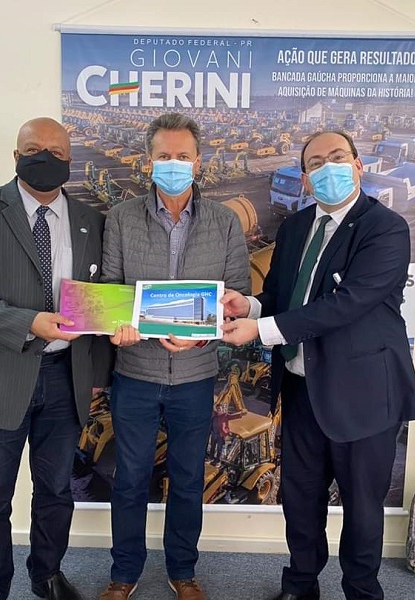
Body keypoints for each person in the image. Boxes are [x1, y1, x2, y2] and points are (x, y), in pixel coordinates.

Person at [221, 130, 415, 600]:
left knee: (362, 507)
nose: (327, 168)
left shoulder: (385, 228)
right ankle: (300, 585)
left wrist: (262, 329)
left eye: (337, 157)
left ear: (357, 165)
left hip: (363, 394)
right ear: (306, 179)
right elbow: (283, 295)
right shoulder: (296, 227)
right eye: (315, 163)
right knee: (300, 498)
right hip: (302, 389)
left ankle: (361, 590)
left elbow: (347, 305)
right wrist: (249, 306)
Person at [0, 117, 112, 600]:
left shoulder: (91, 219)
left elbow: (99, 297)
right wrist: (28, 322)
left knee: (56, 491)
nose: (44, 158)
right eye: (33, 149)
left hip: (66, 378)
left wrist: (98, 374)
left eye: (56, 152)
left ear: (70, 160)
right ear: (16, 156)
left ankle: (47, 575)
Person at [98, 112, 251, 600]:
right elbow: (111, 291)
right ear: (149, 161)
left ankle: (183, 571)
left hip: (195, 375)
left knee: (187, 480)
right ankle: (124, 573)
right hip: (136, 373)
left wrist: (202, 338)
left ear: (198, 161)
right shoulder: (122, 218)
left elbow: (237, 298)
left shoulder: (224, 222)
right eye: (164, 155)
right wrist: (117, 327)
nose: (173, 163)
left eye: (182, 156)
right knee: (130, 479)